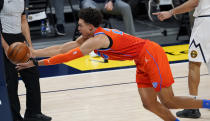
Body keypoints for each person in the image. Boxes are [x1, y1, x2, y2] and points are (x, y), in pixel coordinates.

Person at [7, 8, 210, 121]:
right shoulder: (89, 35)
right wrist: (34, 53)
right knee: (148, 103)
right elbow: (62, 49)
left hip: (151, 54)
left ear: (90, 27)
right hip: (141, 59)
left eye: (80, 25)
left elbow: (69, 57)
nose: (77, 28)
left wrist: (35, 63)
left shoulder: (98, 39)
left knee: (169, 101)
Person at [153, 0, 210, 119]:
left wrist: (170, 12)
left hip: (206, 22)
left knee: (195, 64)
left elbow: (193, 2)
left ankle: (192, 107)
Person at [0, 0, 52, 121]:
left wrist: (30, 46)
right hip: (4, 39)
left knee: (32, 74)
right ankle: (14, 117)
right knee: (11, 81)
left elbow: (23, 21)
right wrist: (6, 47)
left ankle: (33, 113)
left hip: (19, 39)